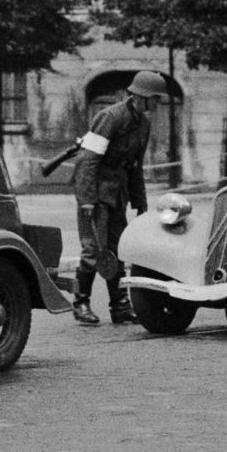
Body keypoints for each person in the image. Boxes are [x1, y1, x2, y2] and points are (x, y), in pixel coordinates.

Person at [73, 70, 166, 325]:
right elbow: (87, 161)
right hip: (97, 192)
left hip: (118, 193)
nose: (157, 103)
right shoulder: (111, 117)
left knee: (117, 249)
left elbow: (134, 166)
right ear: (141, 97)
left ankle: (120, 306)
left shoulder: (143, 124)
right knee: (93, 249)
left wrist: (140, 202)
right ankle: (81, 303)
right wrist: (87, 199)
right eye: (155, 98)